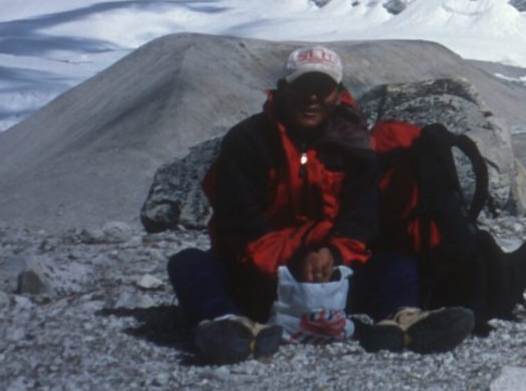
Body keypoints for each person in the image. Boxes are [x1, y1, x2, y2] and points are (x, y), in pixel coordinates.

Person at [166, 45, 475, 363]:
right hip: (260, 276)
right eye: (302, 87)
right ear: (283, 90)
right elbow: (239, 226)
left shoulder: (355, 146)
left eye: (322, 88)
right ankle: (229, 323)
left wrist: (333, 254)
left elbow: (363, 221)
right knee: (188, 264)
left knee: (394, 262)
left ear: (338, 94)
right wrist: (294, 259)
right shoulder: (247, 141)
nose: (311, 98)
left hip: (333, 274)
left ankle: (402, 318)